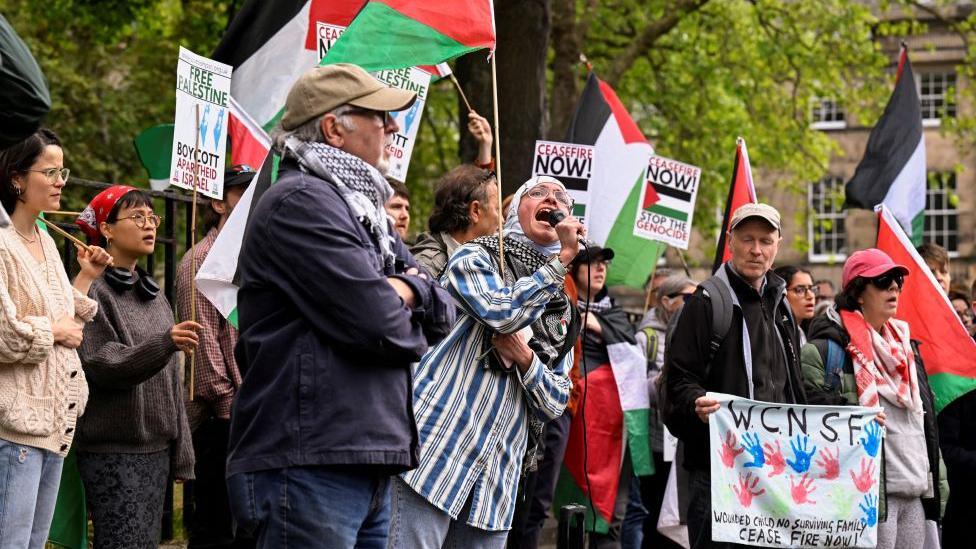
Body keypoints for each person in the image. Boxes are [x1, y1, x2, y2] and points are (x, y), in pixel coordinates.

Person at [225, 64, 455, 549]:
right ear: (334, 128)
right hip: (308, 460)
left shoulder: (360, 207)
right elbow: (381, 323)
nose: (393, 128)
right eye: (380, 116)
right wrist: (403, 291)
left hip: (356, 455)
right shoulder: (302, 201)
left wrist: (404, 290)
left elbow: (442, 311)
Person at [388, 176, 583, 548]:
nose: (551, 198)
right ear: (513, 213)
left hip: (495, 486)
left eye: (560, 196)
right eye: (538, 192)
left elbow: (557, 401)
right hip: (434, 457)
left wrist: (526, 360)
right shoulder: (476, 256)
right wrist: (561, 262)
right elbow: (503, 313)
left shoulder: (561, 309)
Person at [664, 203, 806, 549]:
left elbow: (796, 389)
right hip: (719, 477)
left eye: (765, 241)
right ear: (730, 242)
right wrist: (695, 403)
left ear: (778, 245)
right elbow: (678, 383)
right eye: (747, 239)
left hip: (775, 474)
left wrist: (856, 416)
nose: (756, 250)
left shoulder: (782, 306)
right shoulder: (706, 303)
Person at [0, 128, 111, 548]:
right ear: (16, 178)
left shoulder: (45, 239)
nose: (61, 180)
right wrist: (56, 330)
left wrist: (85, 277)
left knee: (33, 543)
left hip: (52, 424)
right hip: (15, 429)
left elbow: (64, 315)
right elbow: (5, 333)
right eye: (50, 171)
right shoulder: (1, 243)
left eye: (63, 171)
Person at [74, 185, 199, 549]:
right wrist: (165, 343)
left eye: (152, 217)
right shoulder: (94, 290)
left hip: (155, 452)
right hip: (113, 453)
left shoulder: (154, 293)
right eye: (137, 217)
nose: (150, 225)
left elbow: (171, 382)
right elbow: (103, 363)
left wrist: (182, 451)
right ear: (107, 229)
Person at [799, 249, 941, 549]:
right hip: (867, 497)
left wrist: (937, 483)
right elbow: (810, 424)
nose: (894, 287)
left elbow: (924, 423)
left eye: (897, 281)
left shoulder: (907, 348)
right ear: (858, 293)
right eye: (883, 281)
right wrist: (855, 416)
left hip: (915, 491)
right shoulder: (824, 351)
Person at [177, 166, 255, 549]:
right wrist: (231, 405)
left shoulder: (253, 256)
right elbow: (204, 353)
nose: (249, 201)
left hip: (254, 411)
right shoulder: (201, 261)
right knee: (217, 526)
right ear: (218, 202)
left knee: (248, 525)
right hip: (222, 418)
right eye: (240, 193)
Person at [633, 275, 695, 549]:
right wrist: (664, 382)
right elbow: (635, 392)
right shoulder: (646, 338)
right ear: (667, 301)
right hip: (654, 441)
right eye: (688, 298)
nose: (695, 304)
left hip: (681, 440)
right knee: (653, 507)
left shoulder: (694, 332)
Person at [411, 164, 500, 278]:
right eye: (497, 209)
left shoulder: (489, 259)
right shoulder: (427, 268)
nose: (501, 220)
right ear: (475, 211)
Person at [774, 265, 816, 343]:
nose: (810, 296)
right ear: (781, 293)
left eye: (811, 288)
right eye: (800, 290)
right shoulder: (775, 335)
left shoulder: (807, 332)